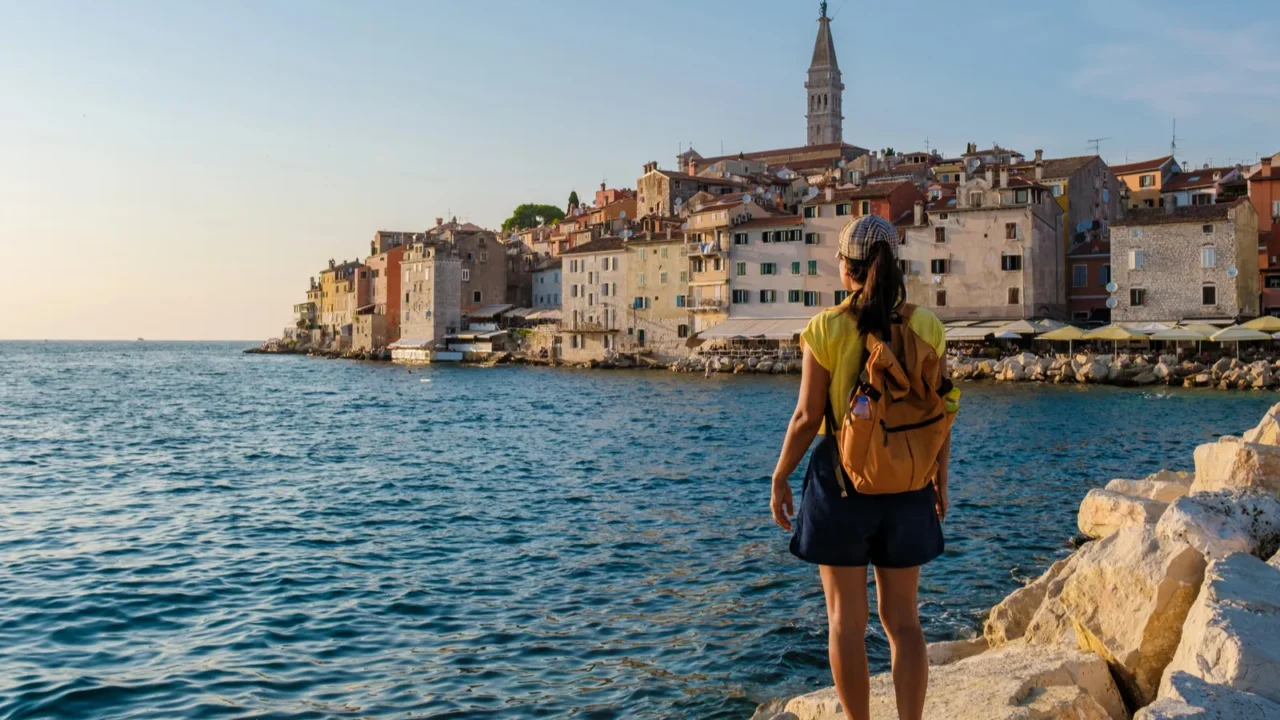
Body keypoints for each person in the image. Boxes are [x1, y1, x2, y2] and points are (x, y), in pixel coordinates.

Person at [769, 215, 958, 720]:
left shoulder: (826, 328)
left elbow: (809, 416)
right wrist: (939, 478)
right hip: (910, 479)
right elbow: (940, 411)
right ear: (895, 266)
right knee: (905, 622)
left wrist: (781, 474)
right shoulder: (928, 327)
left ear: (846, 268)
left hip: (842, 481)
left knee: (845, 623)